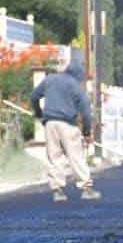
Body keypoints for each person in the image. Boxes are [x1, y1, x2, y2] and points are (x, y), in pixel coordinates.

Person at [30, 58, 99, 202]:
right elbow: (86, 111)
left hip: (50, 123)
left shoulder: (50, 79)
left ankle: (57, 190)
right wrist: (87, 132)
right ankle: (86, 188)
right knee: (75, 155)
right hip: (67, 124)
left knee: (54, 157)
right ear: (78, 76)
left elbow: (34, 96)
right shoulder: (75, 85)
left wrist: (38, 112)